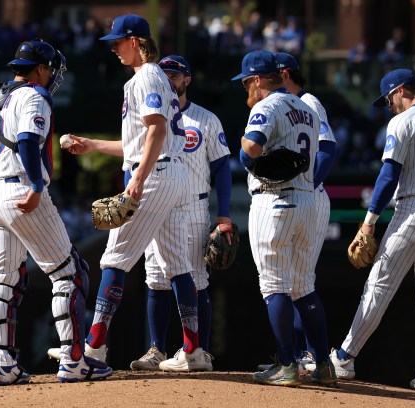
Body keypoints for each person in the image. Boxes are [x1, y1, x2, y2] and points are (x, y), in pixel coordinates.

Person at [64, 14, 209, 372]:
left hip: (156, 175)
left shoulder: (145, 76)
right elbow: (139, 141)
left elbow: (156, 132)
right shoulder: (154, 77)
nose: (112, 48)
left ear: (136, 41)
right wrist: (93, 144)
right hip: (172, 174)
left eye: (117, 42)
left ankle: (94, 350)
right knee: (177, 266)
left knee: (114, 259)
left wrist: (140, 178)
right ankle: (193, 352)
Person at [0, 39, 111, 385]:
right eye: (50, 69)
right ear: (40, 69)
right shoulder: (34, 96)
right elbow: (29, 142)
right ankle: (74, 361)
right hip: (21, 190)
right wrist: (36, 186)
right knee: (70, 273)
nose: (52, 76)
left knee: (5, 278)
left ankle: (2, 364)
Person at [329, 69, 415, 393]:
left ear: (402, 90)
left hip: (413, 209)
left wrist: (369, 221)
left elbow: (388, 176)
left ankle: (344, 358)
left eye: (390, 98)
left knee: (379, 285)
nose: (389, 105)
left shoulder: (403, 122)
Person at [234, 50, 333, 386]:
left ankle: (287, 365)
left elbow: (251, 151)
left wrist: (244, 147)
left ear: (259, 79)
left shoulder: (266, 106)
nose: (246, 88)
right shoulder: (306, 107)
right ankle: (323, 363)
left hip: (274, 201)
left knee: (274, 285)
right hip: (308, 201)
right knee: (304, 286)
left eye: (247, 81)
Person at [128, 55, 233, 371]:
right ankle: (157, 349)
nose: (170, 79)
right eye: (165, 74)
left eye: (176, 75)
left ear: (188, 79)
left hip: (193, 206)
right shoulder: (149, 117)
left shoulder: (205, 120)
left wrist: (224, 215)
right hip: (156, 206)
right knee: (156, 279)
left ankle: (199, 350)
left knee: (197, 280)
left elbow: (223, 168)